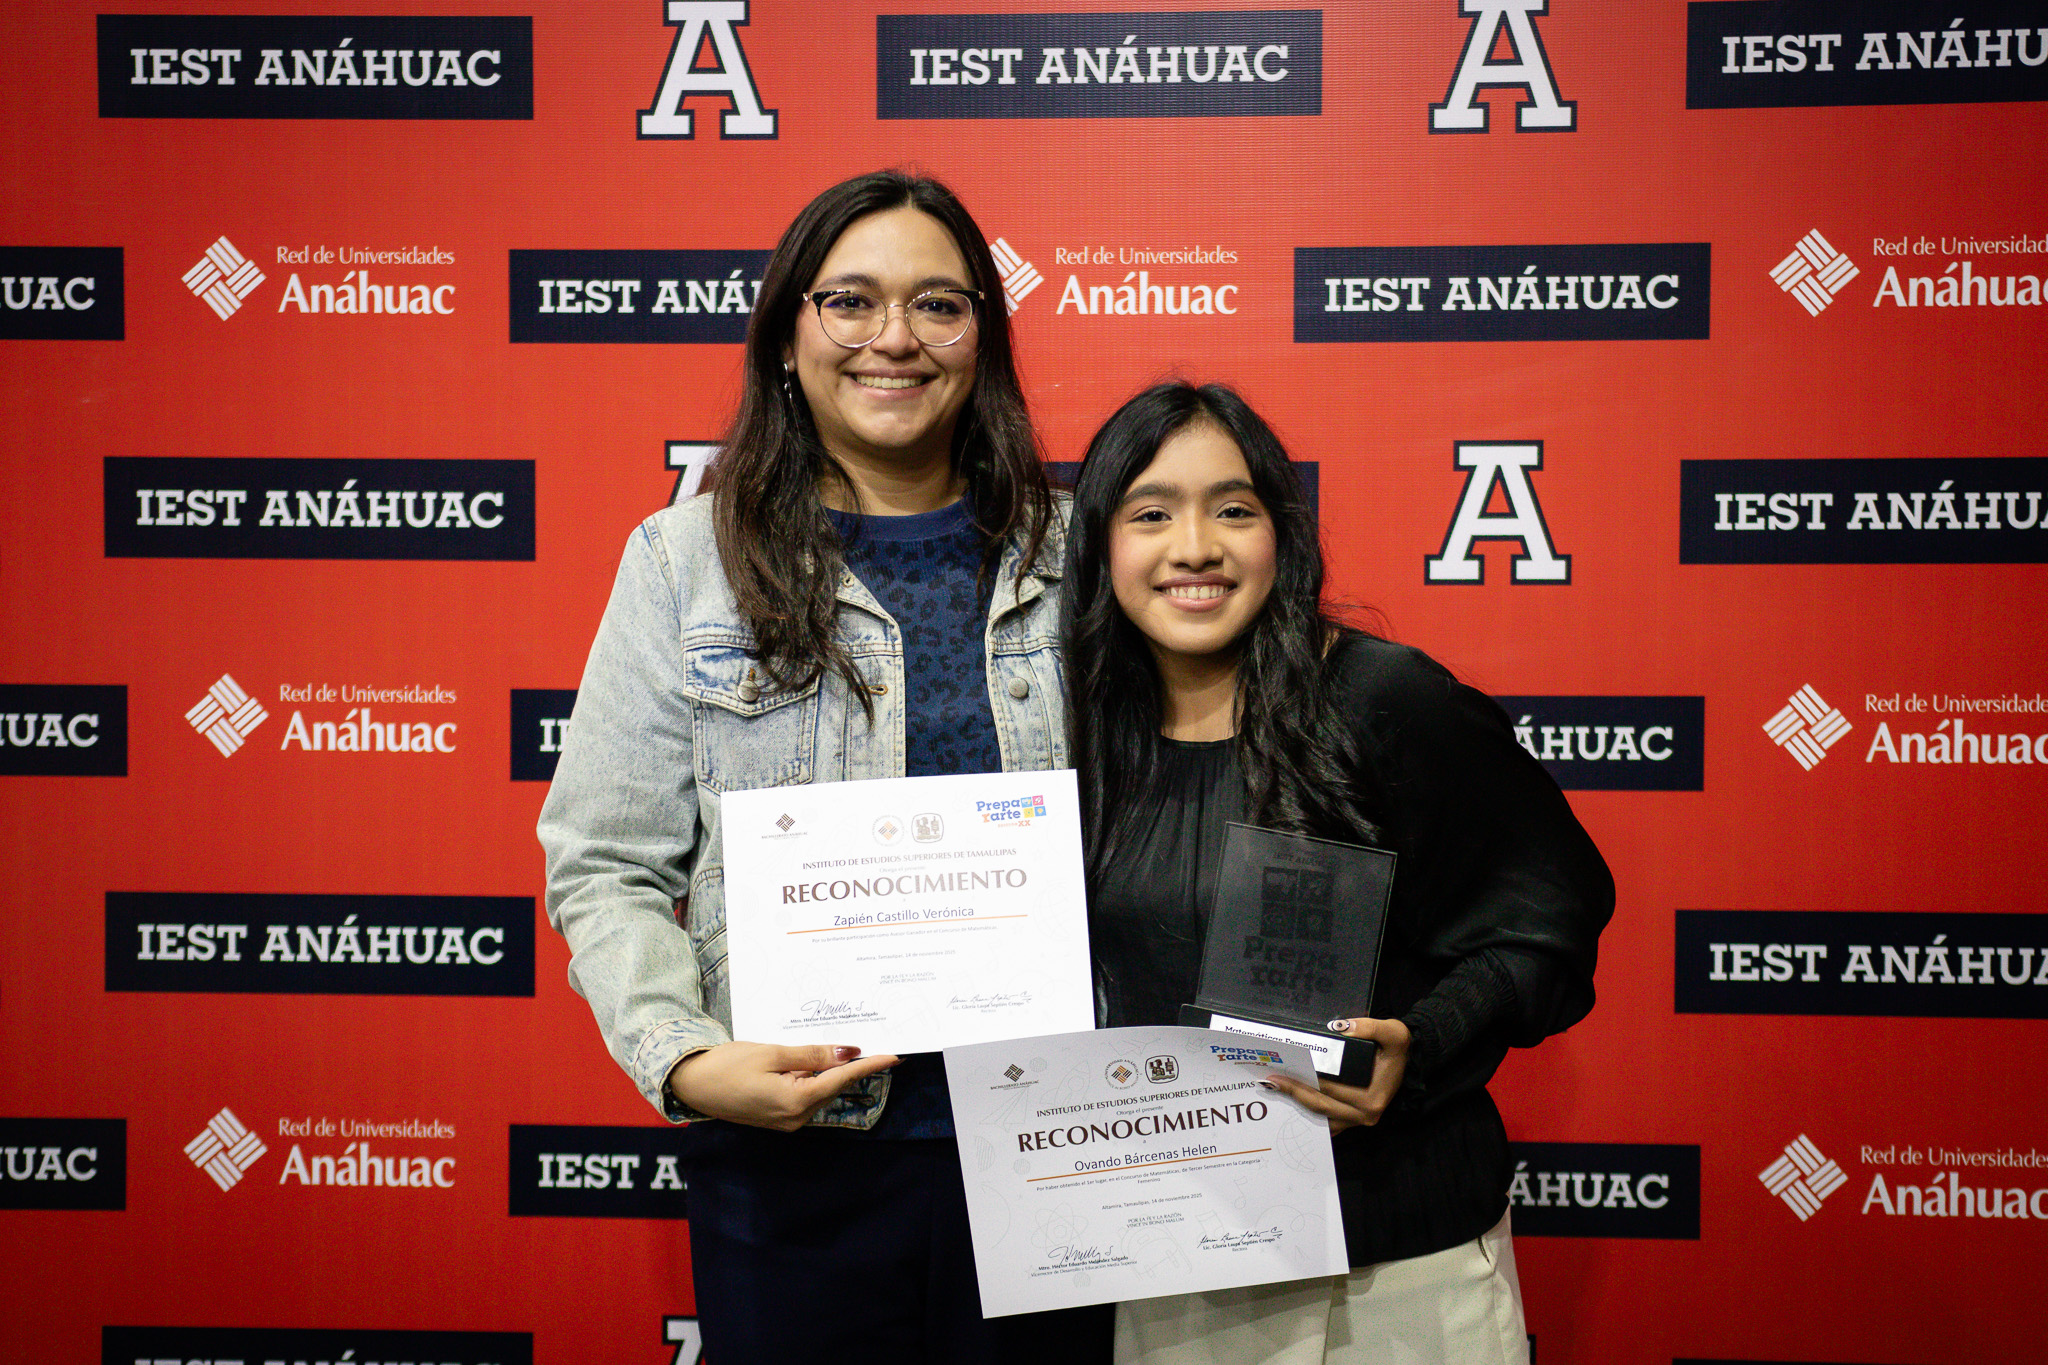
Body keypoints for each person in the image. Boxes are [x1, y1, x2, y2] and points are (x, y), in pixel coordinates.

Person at [538, 171, 1109, 1364]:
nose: (893, 337)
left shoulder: (1085, 559)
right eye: (850, 301)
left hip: (1060, 1151)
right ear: (787, 337)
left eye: (937, 304)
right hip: (795, 1168)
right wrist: (686, 1060)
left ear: (982, 340)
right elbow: (604, 862)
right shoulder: (683, 562)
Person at [1061, 382, 1614, 1365]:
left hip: (1396, 1269)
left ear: (1282, 533)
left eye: (1233, 510)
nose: (1195, 546)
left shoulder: (1385, 700)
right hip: (1174, 1266)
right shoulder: (1070, 734)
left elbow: (1547, 924)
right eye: (1150, 514)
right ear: (1099, 544)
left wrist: (1421, 1046)